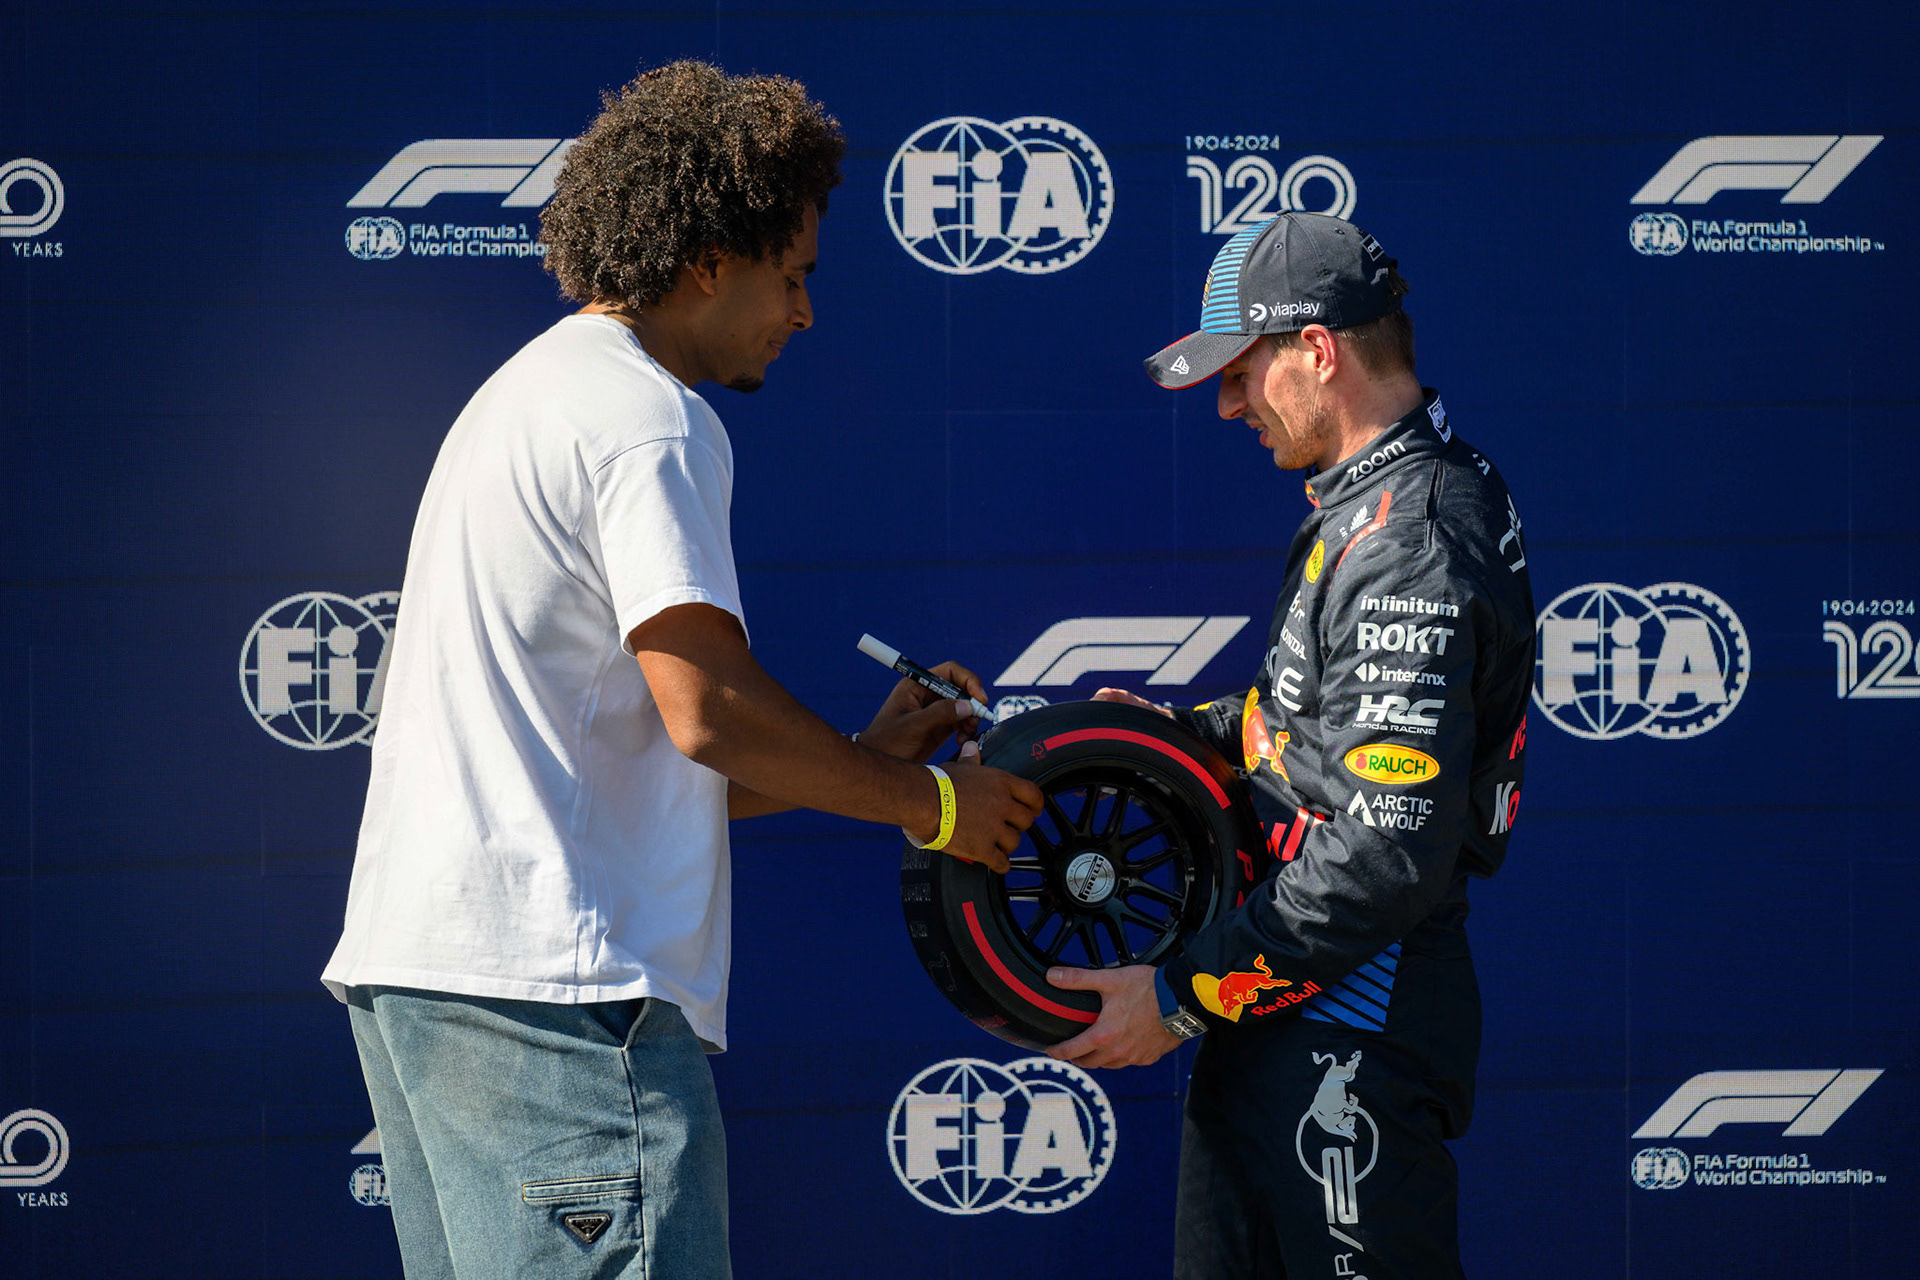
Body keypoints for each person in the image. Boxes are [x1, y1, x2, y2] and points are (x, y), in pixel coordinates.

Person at [320, 62, 1042, 1280]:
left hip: (434, 988)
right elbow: (705, 710)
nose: (805, 313)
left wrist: (865, 765)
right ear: (710, 256)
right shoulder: (649, 417)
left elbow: (629, 765)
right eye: (795, 273)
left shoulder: (527, 394)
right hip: (562, 1009)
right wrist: (937, 805)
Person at [1043, 212, 1533, 1279]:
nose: (1227, 402)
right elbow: (1307, 729)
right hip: (1278, 1011)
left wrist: (1177, 995)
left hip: (1355, 1022)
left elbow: (1378, 856)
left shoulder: (1415, 537)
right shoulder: (1368, 508)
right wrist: (1160, 734)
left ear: (1317, 351)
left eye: (1242, 369)